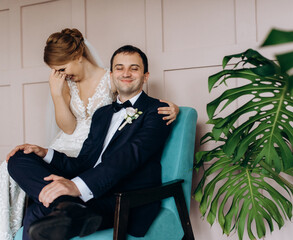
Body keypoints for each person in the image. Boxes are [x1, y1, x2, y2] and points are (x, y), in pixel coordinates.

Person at [0, 28, 179, 240]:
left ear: (146, 76)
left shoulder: (156, 111)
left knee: (37, 213)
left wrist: (76, 185)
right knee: (19, 159)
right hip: (87, 191)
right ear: (111, 74)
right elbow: (83, 162)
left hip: (121, 198)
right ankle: (67, 205)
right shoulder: (102, 114)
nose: (126, 73)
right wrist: (45, 153)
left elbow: (128, 158)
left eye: (134, 68)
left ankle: (68, 205)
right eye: (119, 68)